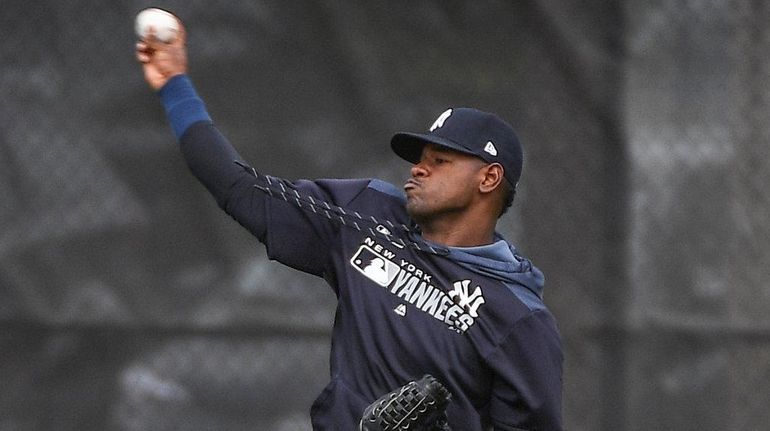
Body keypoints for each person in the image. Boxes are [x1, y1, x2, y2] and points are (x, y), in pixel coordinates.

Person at [136, 16, 563, 431]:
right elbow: (238, 188)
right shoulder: (366, 214)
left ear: (488, 179)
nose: (418, 169)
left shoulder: (517, 317)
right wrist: (175, 84)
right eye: (419, 159)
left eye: (440, 161)